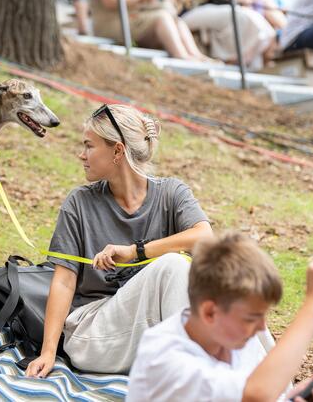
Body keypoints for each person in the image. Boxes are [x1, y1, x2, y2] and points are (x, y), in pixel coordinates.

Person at [25, 104, 213, 377]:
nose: (81, 154)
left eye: (89, 146)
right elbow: (64, 282)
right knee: (173, 265)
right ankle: (195, 380)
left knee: (227, 298)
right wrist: (48, 352)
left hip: (152, 328)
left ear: (117, 151)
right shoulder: (79, 203)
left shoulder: (172, 193)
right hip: (95, 333)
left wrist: (136, 252)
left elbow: (204, 237)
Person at [127, 233, 313, 402]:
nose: (261, 327)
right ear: (210, 312)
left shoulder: (233, 336)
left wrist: (290, 396)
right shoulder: (164, 357)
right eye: (252, 317)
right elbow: (255, 396)